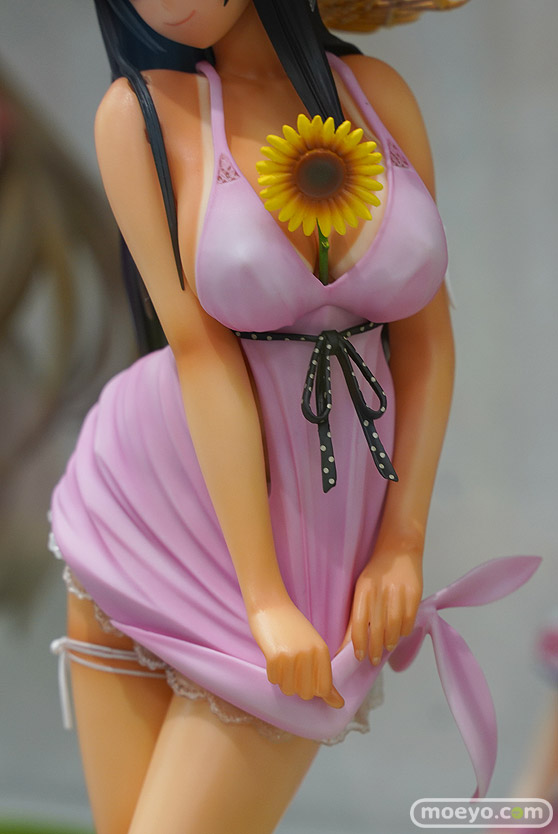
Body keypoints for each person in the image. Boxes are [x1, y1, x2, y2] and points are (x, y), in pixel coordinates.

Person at [49, 1, 467, 832]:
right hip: (148, 502)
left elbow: (427, 342)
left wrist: (402, 542)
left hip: (319, 532)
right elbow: (200, 353)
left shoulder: (376, 94)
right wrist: (264, 597)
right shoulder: (141, 113)